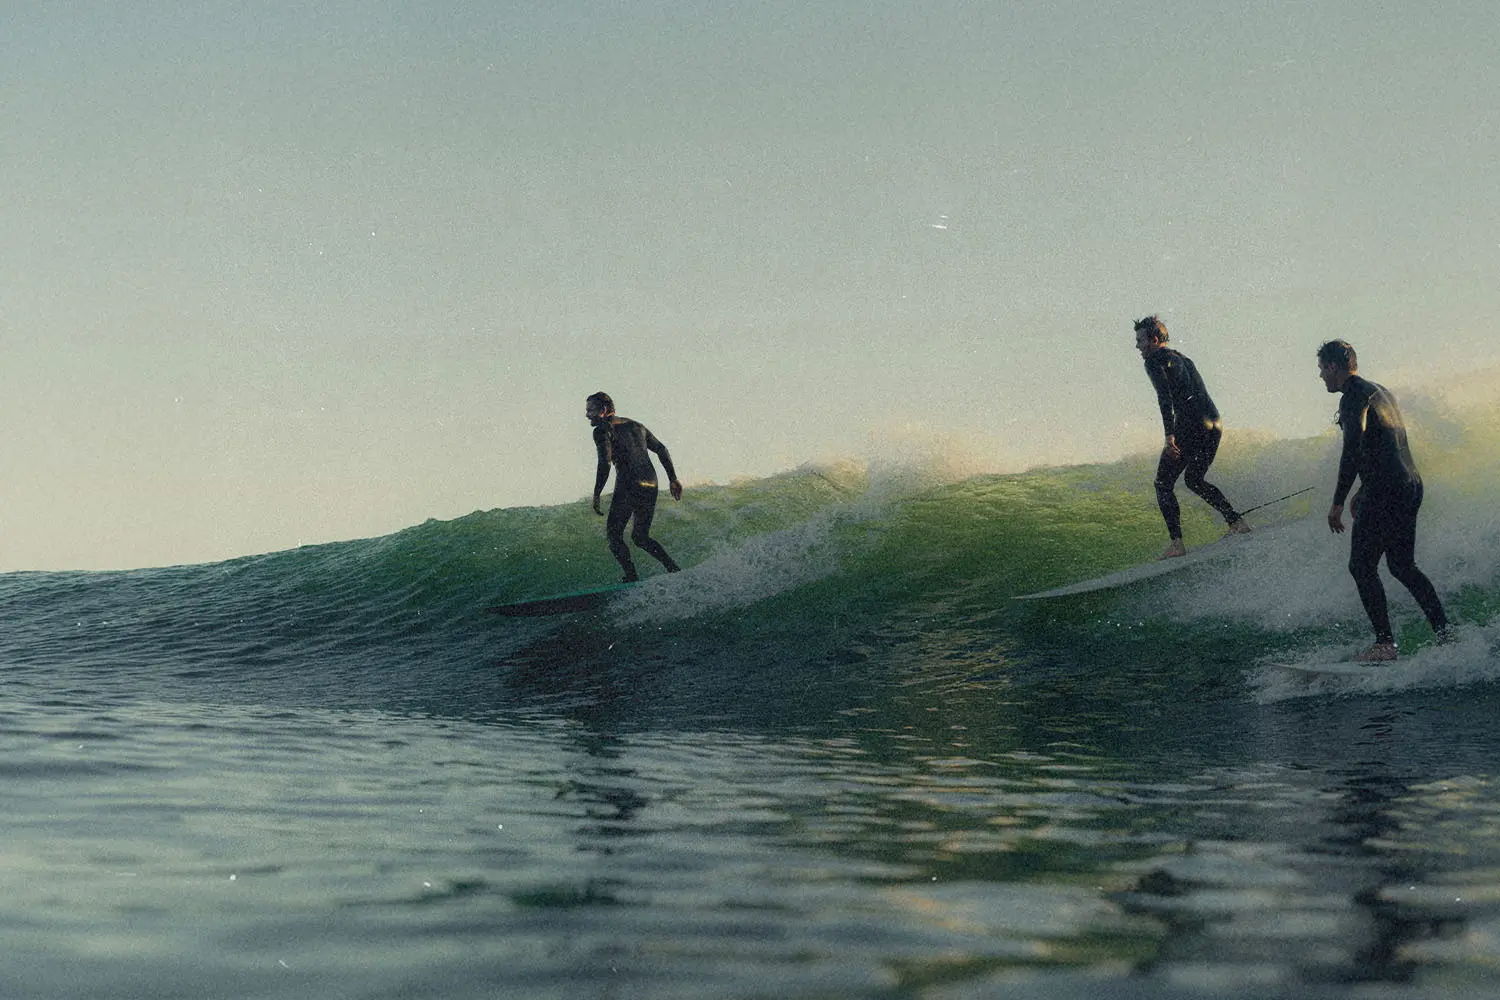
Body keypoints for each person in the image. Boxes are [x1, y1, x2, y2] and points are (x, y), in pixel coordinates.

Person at [1317, 340, 1449, 661]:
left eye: (1322, 368)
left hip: (1387, 490)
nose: (1320, 376)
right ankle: (1446, 635)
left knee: (1361, 565)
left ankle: (1384, 643)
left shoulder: (1352, 398)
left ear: (1334, 366)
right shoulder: (1379, 391)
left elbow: (1353, 449)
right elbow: (1388, 442)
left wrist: (1337, 502)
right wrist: (1364, 488)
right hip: (1409, 484)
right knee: (1402, 566)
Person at [1134, 316, 1250, 559]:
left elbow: (1164, 398)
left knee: (1163, 483)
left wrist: (1169, 436)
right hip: (1214, 422)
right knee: (1194, 479)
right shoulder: (1182, 358)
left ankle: (1177, 544)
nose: (1138, 347)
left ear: (1154, 340)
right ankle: (1236, 522)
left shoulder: (1155, 360)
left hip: (1191, 423)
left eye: (1141, 341)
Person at [585, 391, 682, 582]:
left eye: (591, 410)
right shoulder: (637, 426)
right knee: (640, 536)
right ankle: (673, 569)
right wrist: (673, 478)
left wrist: (596, 494)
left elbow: (605, 463)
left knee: (614, 536)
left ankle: (631, 577)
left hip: (629, 483)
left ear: (604, 410)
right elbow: (661, 449)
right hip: (651, 483)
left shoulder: (602, 430)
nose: (587, 415)